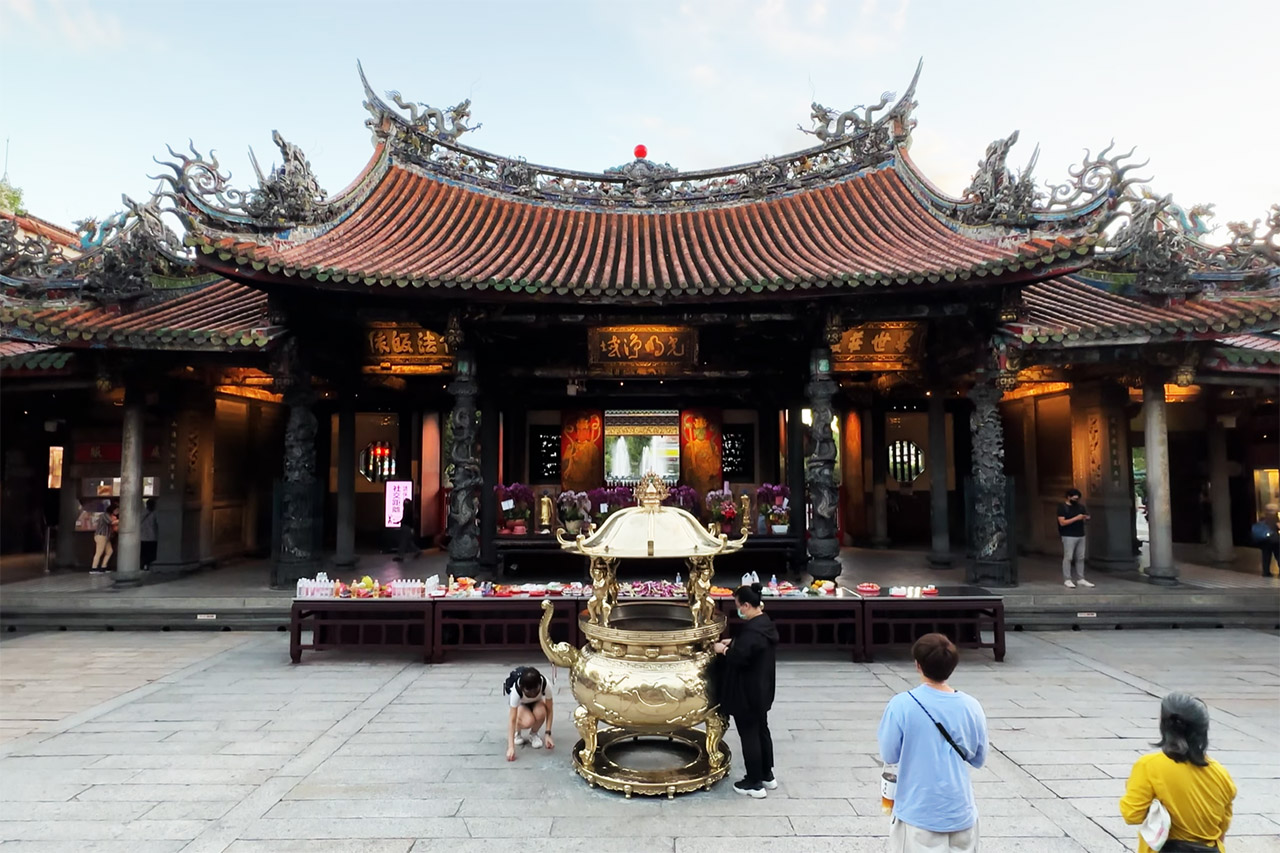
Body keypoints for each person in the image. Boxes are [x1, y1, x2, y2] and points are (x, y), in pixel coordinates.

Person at [877, 633, 988, 852]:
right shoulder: (971, 706)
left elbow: (889, 754)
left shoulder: (901, 705)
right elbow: (978, 757)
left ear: (918, 665)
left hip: (918, 809)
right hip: (960, 808)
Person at [1120, 692, 1236, 852]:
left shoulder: (1148, 766)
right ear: (1203, 730)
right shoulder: (1221, 774)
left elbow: (1132, 815)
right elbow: (1221, 830)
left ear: (1164, 726)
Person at [713, 582, 779, 798]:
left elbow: (741, 657)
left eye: (739, 606)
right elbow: (750, 647)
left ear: (748, 606)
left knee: (749, 735)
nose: (739, 610)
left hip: (747, 693)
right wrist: (735, 641)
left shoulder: (753, 632)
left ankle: (754, 782)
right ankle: (767, 775)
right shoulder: (764, 624)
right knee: (762, 730)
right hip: (762, 690)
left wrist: (723, 650)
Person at [504, 666, 554, 762]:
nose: (532, 694)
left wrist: (548, 734)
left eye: (535, 691)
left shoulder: (546, 684)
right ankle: (517, 732)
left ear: (540, 685)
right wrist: (511, 747)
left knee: (542, 712)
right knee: (528, 721)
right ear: (522, 688)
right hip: (521, 705)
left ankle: (534, 733)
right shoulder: (516, 690)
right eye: (528, 692)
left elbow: (550, 710)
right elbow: (512, 719)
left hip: (537, 703)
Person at [1057, 487, 1095, 588]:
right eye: (1074, 498)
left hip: (1080, 534)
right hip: (1068, 535)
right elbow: (1062, 522)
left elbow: (1085, 517)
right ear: (1068, 497)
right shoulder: (1062, 507)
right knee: (1068, 557)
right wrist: (1076, 518)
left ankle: (1081, 578)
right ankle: (1067, 579)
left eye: (1077, 498)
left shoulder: (1081, 507)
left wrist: (1086, 518)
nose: (1076, 500)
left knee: (1080, 557)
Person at [1250, 507, 1279, 578]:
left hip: (1264, 540)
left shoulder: (1262, 517)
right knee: (1278, 555)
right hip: (1274, 539)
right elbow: (1278, 526)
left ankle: (1266, 572)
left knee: (1266, 556)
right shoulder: (1274, 517)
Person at [90, 503, 119, 573]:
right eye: (117, 510)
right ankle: (94, 568)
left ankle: (104, 567)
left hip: (106, 536)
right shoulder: (105, 515)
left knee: (109, 551)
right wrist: (121, 520)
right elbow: (111, 522)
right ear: (113, 509)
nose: (118, 511)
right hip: (101, 535)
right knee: (99, 552)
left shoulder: (110, 515)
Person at [394, 497, 419, 562]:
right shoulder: (410, 510)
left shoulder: (408, 510)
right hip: (408, 528)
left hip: (406, 528)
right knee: (408, 542)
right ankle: (417, 551)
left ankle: (400, 556)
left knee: (403, 542)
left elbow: (408, 520)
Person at [140, 499, 158, 571]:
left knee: (144, 553)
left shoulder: (142, 513)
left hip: (143, 537)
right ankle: (148, 565)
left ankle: (144, 565)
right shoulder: (155, 513)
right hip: (152, 537)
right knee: (151, 553)